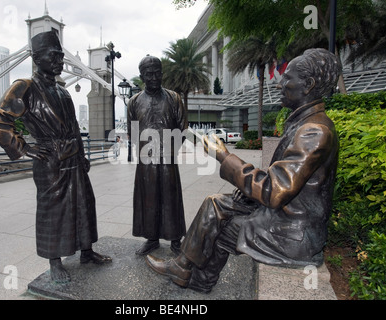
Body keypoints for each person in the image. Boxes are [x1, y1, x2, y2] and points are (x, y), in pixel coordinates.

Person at [145, 48, 341, 293]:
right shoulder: (304, 123)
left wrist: (223, 156)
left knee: (221, 227)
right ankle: (186, 269)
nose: (280, 84)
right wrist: (247, 192)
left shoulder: (314, 131)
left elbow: (274, 190)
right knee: (215, 203)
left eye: (287, 77)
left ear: (309, 85)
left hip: (292, 233)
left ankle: (194, 275)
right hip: (284, 215)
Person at [0, 30, 111, 283]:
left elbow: (74, 126)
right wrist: (23, 147)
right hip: (49, 162)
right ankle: (55, 262)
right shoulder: (25, 87)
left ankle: (86, 251)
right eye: (53, 56)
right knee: (53, 211)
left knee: (84, 204)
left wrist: (83, 154)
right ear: (36, 58)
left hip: (73, 158)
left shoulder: (63, 91)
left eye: (61, 56)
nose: (59, 61)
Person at [127, 55, 188, 256]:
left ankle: (175, 240)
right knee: (149, 200)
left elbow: (182, 127)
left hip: (168, 158)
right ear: (142, 76)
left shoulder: (174, 98)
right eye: (149, 74)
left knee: (171, 199)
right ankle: (151, 239)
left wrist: (170, 150)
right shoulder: (134, 102)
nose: (154, 77)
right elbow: (133, 132)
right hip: (146, 160)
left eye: (157, 73)